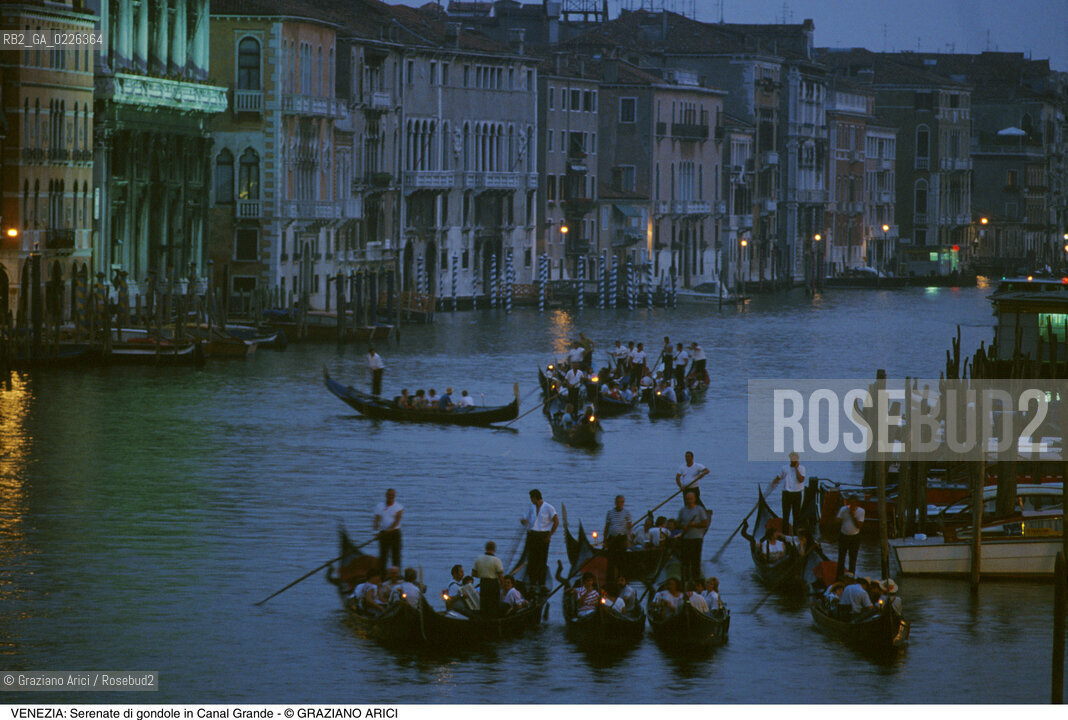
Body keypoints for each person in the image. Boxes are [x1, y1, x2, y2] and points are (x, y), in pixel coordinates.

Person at [521, 489, 558, 588]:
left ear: (535, 498)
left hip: (543, 535)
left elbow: (556, 521)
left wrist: (550, 535)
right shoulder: (531, 508)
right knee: (532, 559)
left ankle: (541, 582)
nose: (531, 500)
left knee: (542, 559)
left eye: (531, 498)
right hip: (532, 535)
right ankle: (532, 581)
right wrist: (523, 521)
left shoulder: (549, 507)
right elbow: (525, 518)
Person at [677, 491, 710, 583]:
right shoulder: (683, 510)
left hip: (696, 539)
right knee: (685, 561)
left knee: (696, 561)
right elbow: (677, 523)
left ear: (694, 499)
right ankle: (685, 580)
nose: (689, 500)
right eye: (687, 499)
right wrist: (683, 526)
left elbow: (705, 524)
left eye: (691, 499)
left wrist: (694, 524)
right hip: (686, 539)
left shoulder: (699, 510)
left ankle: (696, 581)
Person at [771, 452, 806, 534]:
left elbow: (801, 480)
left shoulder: (802, 468)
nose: (793, 460)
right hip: (786, 493)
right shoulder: (784, 468)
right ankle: (785, 534)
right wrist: (773, 483)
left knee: (796, 515)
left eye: (795, 459)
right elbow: (778, 477)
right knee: (786, 515)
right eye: (792, 458)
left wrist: (796, 469)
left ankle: (796, 534)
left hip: (797, 494)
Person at [373, 488, 403, 575]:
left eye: (392, 495)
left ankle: (396, 575)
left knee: (396, 556)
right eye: (389, 495)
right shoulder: (379, 506)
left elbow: (397, 521)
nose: (390, 496)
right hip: (383, 534)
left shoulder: (399, 507)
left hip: (395, 534)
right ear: (386, 495)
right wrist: (375, 533)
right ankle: (382, 576)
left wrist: (389, 530)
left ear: (394, 496)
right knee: (383, 557)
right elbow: (376, 520)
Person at [603, 494, 632, 582]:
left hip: (622, 539)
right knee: (611, 560)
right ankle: (610, 578)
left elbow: (629, 527)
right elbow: (607, 527)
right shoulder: (610, 512)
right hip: (612, 539)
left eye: (621, 502)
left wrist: (629, 540)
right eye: (618, 502)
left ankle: (621, 578)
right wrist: (605, 540)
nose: (619, 504)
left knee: (622, 559)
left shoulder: (627, 513)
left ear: (623, 503)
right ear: (615, 503)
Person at [836, 495, 865, 578]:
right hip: (843, 535)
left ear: (856, 503)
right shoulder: (843, 509)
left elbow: (859, 525)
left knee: (853, 559)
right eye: (850, 503)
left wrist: (853, 515)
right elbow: (837, 521)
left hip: (855, 537)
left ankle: (851, 577)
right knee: (841, 558)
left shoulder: (861, 511)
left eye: (853, 503)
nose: (851, 505)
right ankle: (839, 577)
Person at [473, 541, 504, 617]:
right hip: (493, 584)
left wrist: (482, 574)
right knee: (493, 603)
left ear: (486, 548)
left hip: (483, 583)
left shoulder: (478, 559)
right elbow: (500, 576)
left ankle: (483, 618)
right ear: (494, 549)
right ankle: (493, 619)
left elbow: (474, 574)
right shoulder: (497, 560)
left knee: (484, 603)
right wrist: (503, 586)